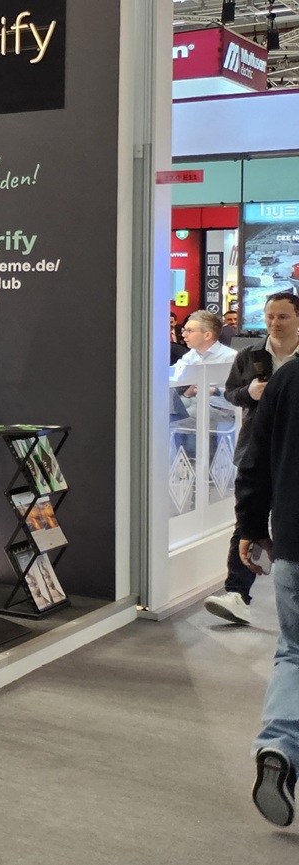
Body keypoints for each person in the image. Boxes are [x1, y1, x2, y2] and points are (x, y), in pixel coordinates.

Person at [234, 345, 299, 828]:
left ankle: (279, 745)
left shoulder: (288, 378)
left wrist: (251, 527)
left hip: (295, 542)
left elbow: (255, 461)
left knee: (295, 651)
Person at [208, 292, 299, 626]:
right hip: (255, 449)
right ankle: (237, 593)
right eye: (270, 316)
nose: (275, 323)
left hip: (291, 453)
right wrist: (250, 393)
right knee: (248, 518)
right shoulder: (249, 356)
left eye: (283, 316)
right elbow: (231, 392)